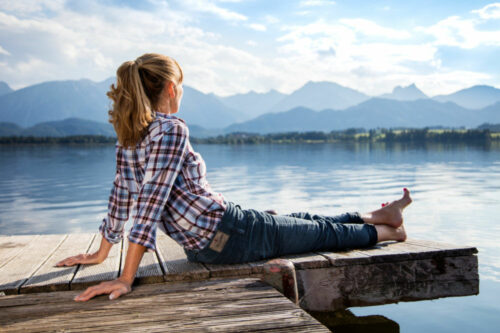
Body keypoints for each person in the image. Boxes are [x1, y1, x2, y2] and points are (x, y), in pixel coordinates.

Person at [56, 53, 412, 302]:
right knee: (318, 234)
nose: (181, 92)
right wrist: (125, 276)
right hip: (231, 234)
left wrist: (102, 253)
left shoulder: (131, 135)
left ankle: (378, 215)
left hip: (214, 240)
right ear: (168, 88)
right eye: (180, 85)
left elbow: (121, 197)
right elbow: (149, 203)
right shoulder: (170, 129)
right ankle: (390, 232)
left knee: (301, 222)